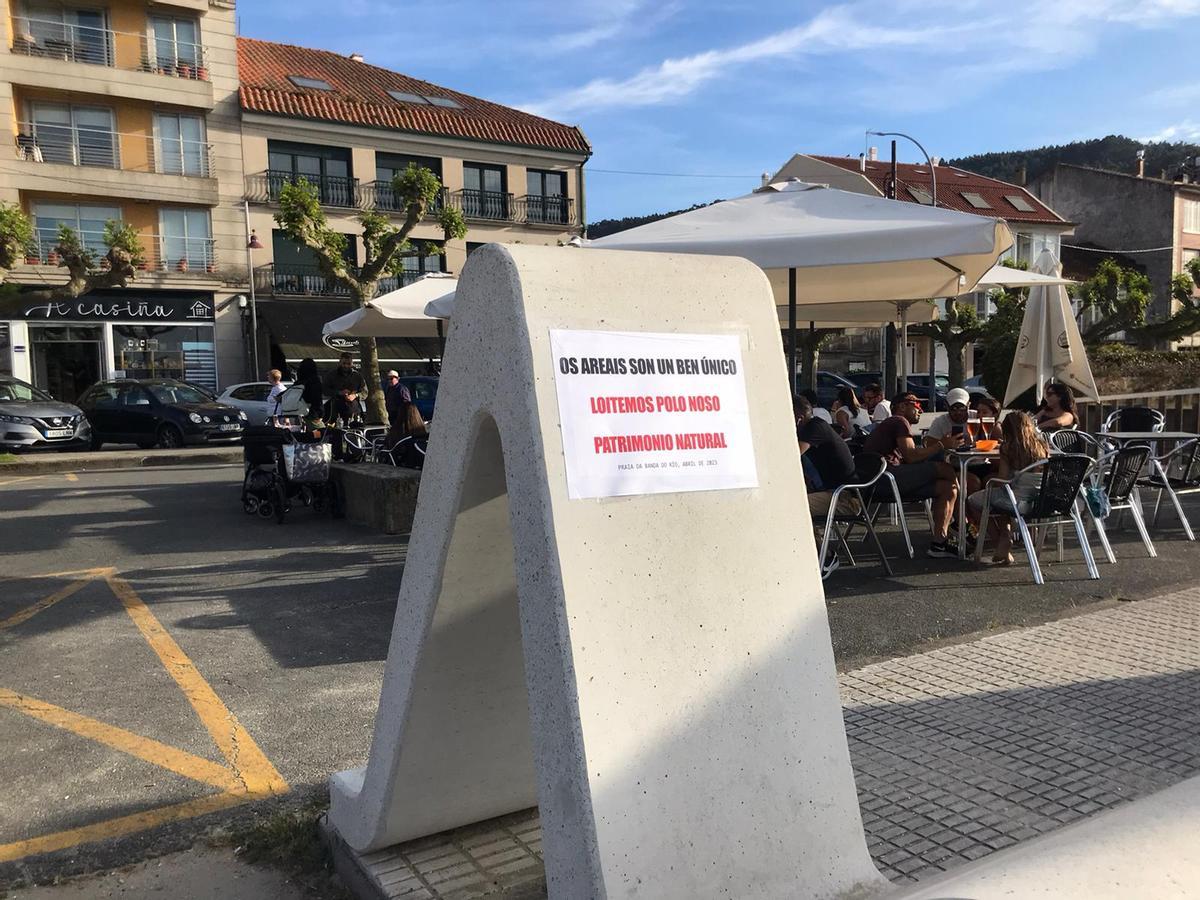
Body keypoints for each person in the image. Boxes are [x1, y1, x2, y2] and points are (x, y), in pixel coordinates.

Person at [862, 391, 961, 558]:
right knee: (946, 469)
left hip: (878, 483)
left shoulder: (890, 424)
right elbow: (911, 456)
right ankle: (964, 524)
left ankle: (939, 542)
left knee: (948, 488)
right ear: (902, 406)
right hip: (887, 480)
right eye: (917, 405)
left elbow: (910, 457)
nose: (921, 410)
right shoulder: (899, 421)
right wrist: (941, 445)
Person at [966, 412, 1049, 565]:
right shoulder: (1042, 445)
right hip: (1039, 499)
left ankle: (1001, 540)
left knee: (977, 500)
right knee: (1001, 498)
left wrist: (990, 482)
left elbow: (1003, 480)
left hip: (1016, 501)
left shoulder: (1007, 448)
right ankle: (1005, 538)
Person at [323, 352, 367, 426]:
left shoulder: (357, 376)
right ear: (340, 362)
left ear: (352, 364)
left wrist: (355, 395)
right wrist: (339, 392)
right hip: (336, 410)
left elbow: (365, 392)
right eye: (344, 363)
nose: (346, 366)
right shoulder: (331, 375)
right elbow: (325, 390)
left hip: (354, 410)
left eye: (348, 364)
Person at [295, 358, 323, 429]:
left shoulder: (298, 383)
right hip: (312, 414)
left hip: (297, 414)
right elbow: (317, 400)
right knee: (322, 433)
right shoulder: (315, 381)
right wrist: (320, 414)